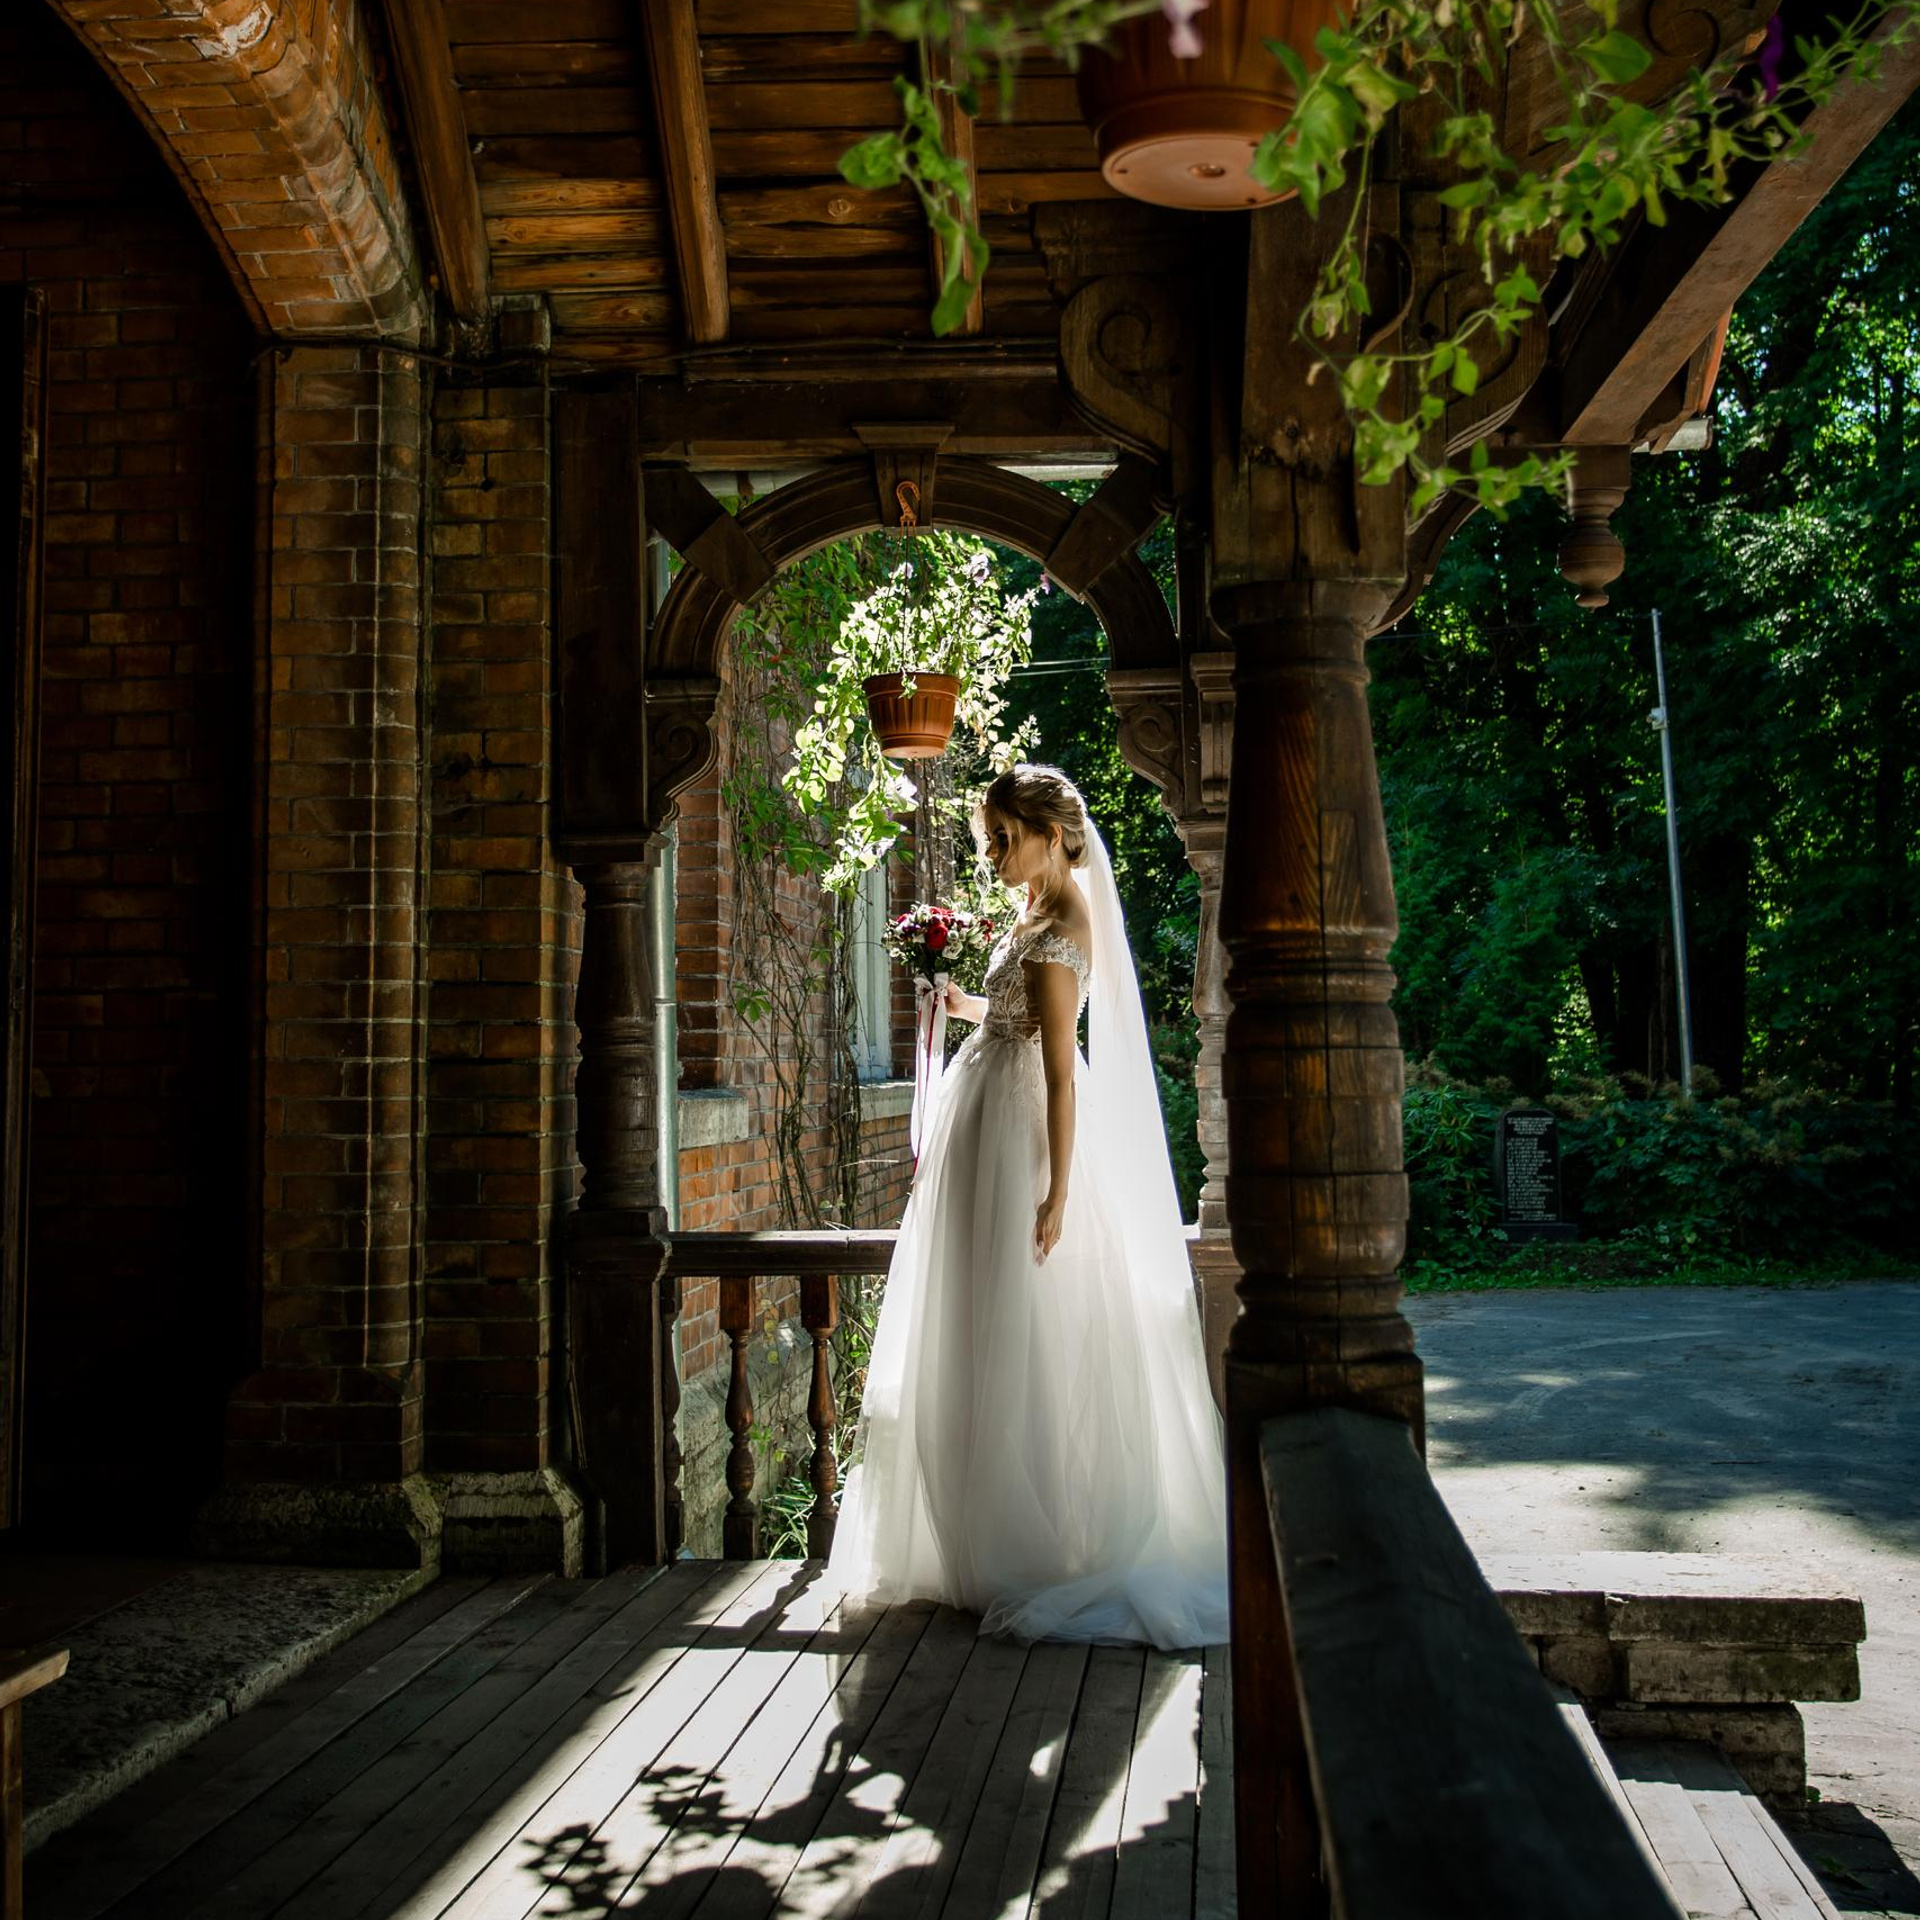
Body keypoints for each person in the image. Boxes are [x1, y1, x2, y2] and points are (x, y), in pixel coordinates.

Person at [827, 764, 1230, 1649]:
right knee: (974, 1314)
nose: (995, 853)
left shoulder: (1064, 928)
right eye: (991, 839)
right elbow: (1006, 1020)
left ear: (1054, 836)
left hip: (1021, 1138)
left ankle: (1035, 1542)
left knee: (1022, 1322)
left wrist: (1055, 1190)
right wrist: (957, 998)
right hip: (987, 1126)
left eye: (1007, 838)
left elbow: (1057, 1069)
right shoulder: (1033, 917)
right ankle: (970, 1538)